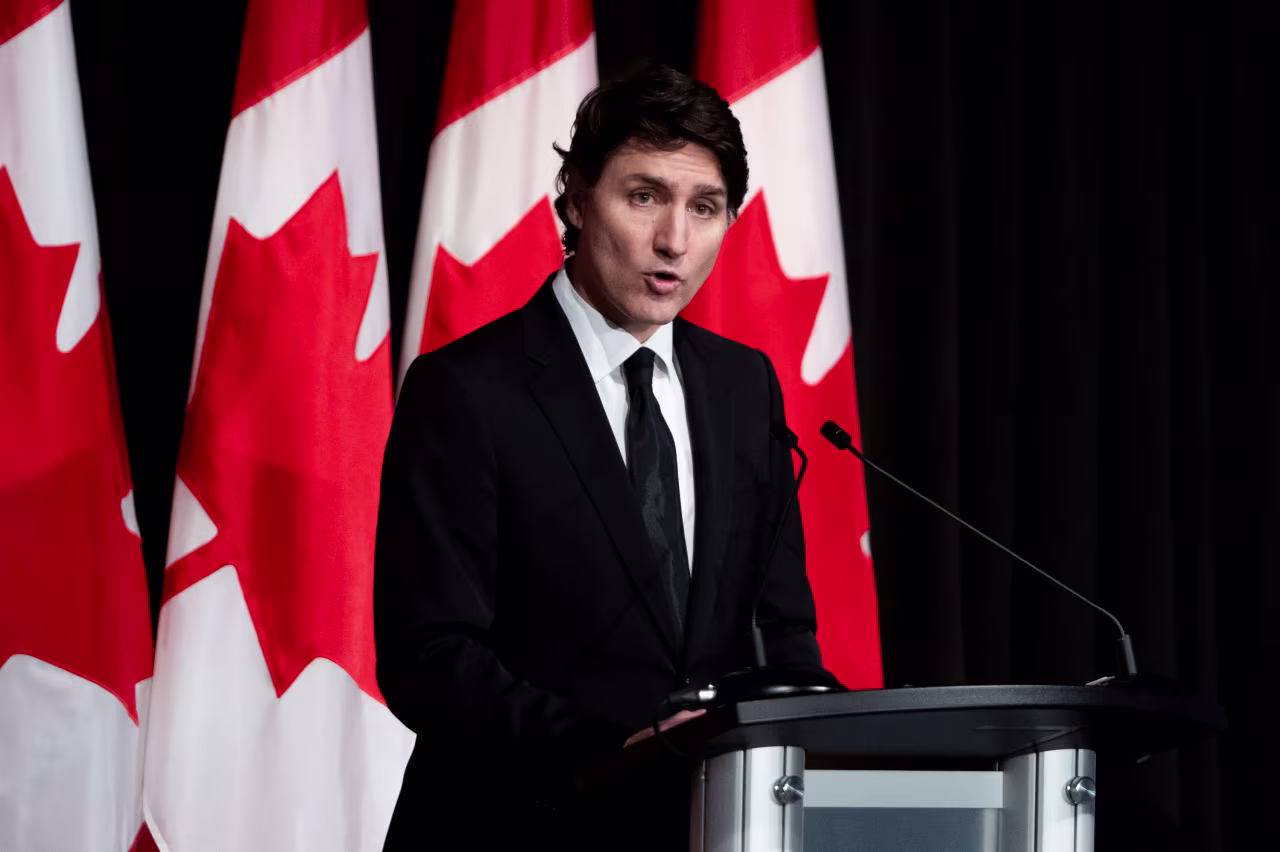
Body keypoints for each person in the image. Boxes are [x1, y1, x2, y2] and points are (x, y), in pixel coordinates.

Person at [374, 63, 837, 851]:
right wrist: (613, 746)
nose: (675, 242)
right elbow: (430, 656)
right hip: (516, 823)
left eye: (706, 207)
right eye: (644, 196)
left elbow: (782, 633)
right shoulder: (467, 390)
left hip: (701, 829)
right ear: (576, 197)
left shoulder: (741, 386)